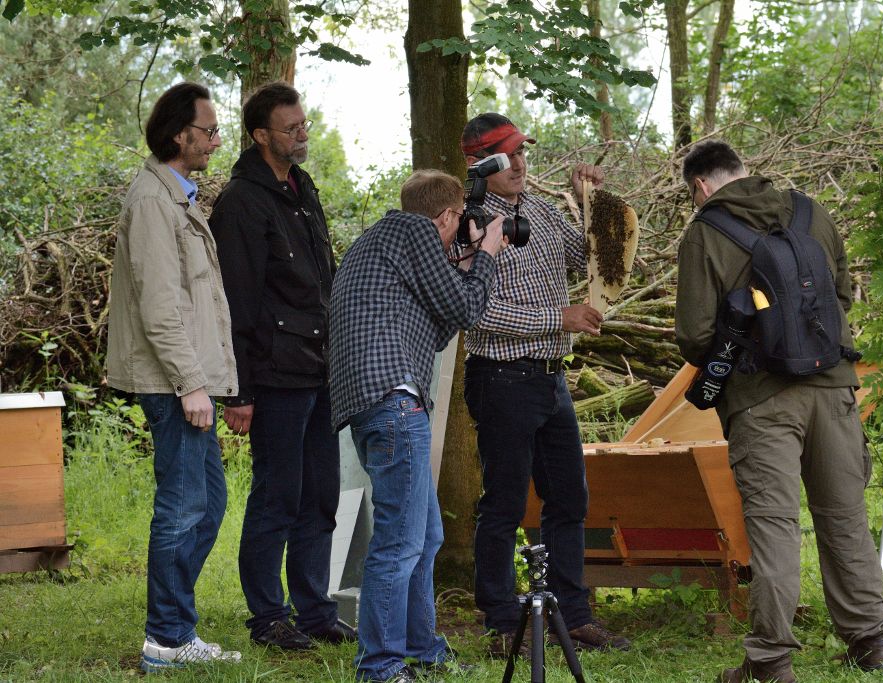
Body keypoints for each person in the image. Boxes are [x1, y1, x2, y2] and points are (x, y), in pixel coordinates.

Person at [674, 139, 883, 683]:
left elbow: (694, 335)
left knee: (774, 527)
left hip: (759, 399)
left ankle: (770, 661)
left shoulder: (705, 231)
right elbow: (841, 294)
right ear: (743, 170)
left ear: (700, 186)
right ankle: (872, 645)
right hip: (835, 389)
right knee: (844, 517)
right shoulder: (810, 211)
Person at [460, 112, 631, 657]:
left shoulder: (540, 209)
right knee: (505, 504)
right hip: (501, 378)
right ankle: (502, 620)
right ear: (478, 163)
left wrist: (588, 202)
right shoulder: (465, 223)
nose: (519, 165)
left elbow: (589, 257)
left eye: (522, 153)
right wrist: (560, 318)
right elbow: (476, 312)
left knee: (569, 499)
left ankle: (572, 614)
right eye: (506, 156)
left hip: (551, 379)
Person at [329, 169, 505, 683]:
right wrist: (487, 253)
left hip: (376, 404)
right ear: (448, 215)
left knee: (424, 537)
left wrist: (467, 262)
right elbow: (469, 310)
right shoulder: (415, 233)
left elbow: (439, 325)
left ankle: (421, 649)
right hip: (396, 402)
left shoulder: (379, 242)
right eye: (457, 226)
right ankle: (379, 667)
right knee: (399, 544)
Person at [209, 82, 354, 650]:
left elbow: (322, 279)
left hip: (319, 368)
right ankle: (268, 617)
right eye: (291, 128)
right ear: (260, 135)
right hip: (272, 376)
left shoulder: (301, 186)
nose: (302, 134)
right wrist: (238, 391)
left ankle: (315, 611)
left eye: (304, 124)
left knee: (321, 497)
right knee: (277, 496)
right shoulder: (242, 201)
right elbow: (236, 301)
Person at [105, 82, 241, 672]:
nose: (216, 140)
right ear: (177, 133)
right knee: (184, 508)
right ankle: (166, 637)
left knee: (208, 504)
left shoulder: (176, 197)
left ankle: (174, 628)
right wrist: (190, 385)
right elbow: (160, 307)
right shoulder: (154, 202)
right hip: (171, 383)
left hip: (188, 380)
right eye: (208, 130)